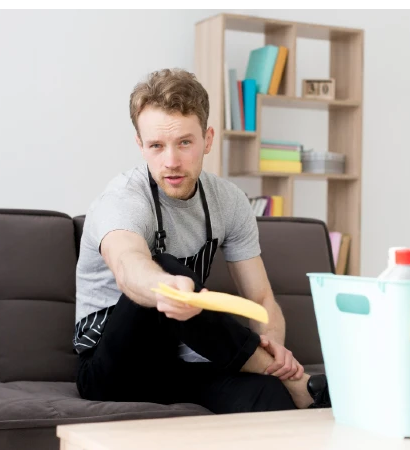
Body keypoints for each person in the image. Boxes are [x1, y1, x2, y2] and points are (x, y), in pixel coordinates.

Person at [73, 68, 330, 413]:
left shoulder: (229, 200)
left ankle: (282, 381)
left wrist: (275, 354)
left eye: (184, 143)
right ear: (140, 145)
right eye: (156, 146)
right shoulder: (122, 199)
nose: (171, 162)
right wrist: (167, 286)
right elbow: (127, 264)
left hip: (178, 364)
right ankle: (295, 382)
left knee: (268, 397)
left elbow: (261, 297)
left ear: (207, 139)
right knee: (164, 271)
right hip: (111, 369)